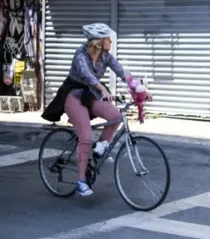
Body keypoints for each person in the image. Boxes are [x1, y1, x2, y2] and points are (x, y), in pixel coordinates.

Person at [42, 23, 149, 197]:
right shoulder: (80, 55)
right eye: (108, 39)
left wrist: (142, 90)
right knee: (85, 137)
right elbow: (87, 75)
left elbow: (123, 72)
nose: (111, 42)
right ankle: (81, 182)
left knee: (115, 115)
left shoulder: (106, 56)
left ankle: (100, 148)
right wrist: (103, 89)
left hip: (90, 95)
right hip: (73, 96)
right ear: (98, 41)